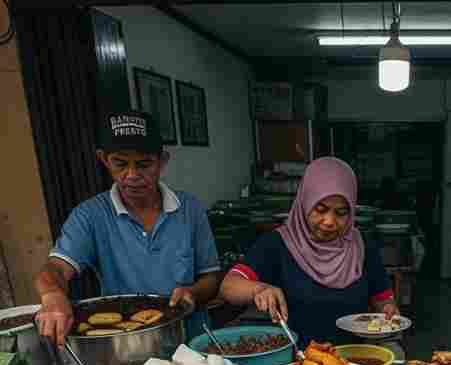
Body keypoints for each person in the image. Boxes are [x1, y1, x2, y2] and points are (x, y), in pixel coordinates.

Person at [35, 110, 222, 345]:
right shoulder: (90, 215)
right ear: (104, 159)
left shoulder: (189, 209)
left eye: (144, 164)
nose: (132, 175)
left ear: (162, 161)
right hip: (125, 345)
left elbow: (211, 277)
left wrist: (193, 293)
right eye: (120, 163)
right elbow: (56, 269)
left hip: (192, 337)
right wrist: (53, 295)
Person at [220, 157, 398, 346]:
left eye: (341, 213)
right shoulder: (277, 244)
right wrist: (258, 289)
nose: (329, 222)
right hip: (295, 359)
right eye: (320, 210)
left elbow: (383, 301)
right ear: (305, 202)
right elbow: (228, 286)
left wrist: (388, 311)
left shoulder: (362, 246)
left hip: (354, 359)